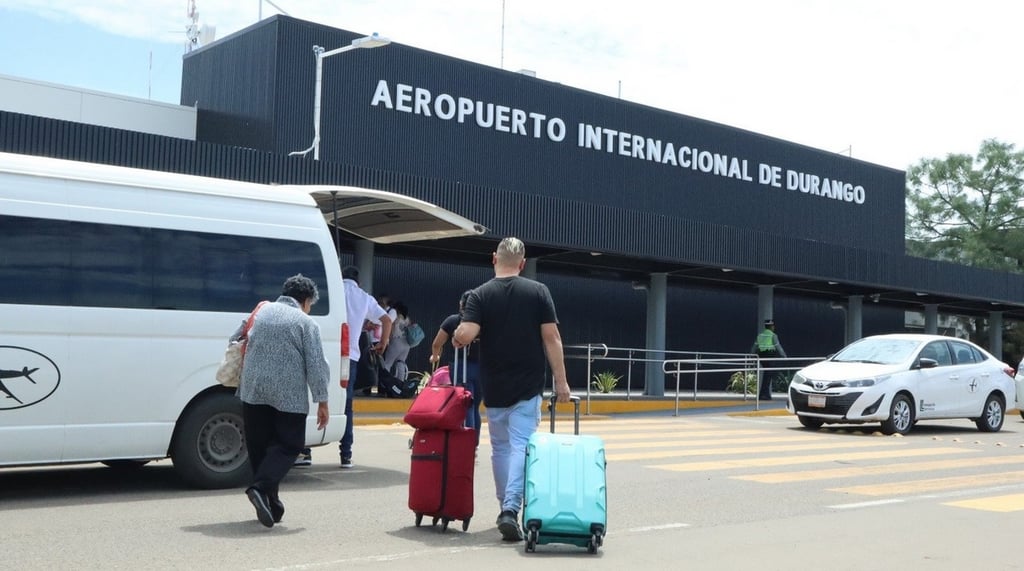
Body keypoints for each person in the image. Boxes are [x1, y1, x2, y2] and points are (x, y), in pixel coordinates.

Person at [453, 237, 571, 543]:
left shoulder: (480, 295)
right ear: (522, 263)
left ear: (494, 258)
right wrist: (561, 381)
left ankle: (505, 505)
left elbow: (466, 334)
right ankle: (510, 509)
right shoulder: (538, 291)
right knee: (521, 446)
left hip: (495, 386)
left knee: (501, 448)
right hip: (528, 384)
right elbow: (552, 338)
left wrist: (457, 335)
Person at [235, 274, 330, 528]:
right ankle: (259, 489)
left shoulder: (261, 311)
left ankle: (270, 501)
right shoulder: (305, 322)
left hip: (253, 389)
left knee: (261, 447)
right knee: (290, 443)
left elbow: (236, 337)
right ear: (306, 300)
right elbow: (316, 365)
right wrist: (322, 400)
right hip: (287, 395)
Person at [337, 265, 392, 468]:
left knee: (318, 396)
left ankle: (305, 452)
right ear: (358, 281)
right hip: (348, 357)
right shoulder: (364, 297)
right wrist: (382, 343)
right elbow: (387, 320)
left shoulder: (333, 289)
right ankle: (346, 454)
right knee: (347, 403)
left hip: (328, 353)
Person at [430, 290, 484, 443]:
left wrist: (435, 356)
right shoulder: (482, 323)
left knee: (466, 404)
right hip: (482, 368)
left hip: (461, 367)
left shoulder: (453, 321)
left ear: (461, 304)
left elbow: (437, 343)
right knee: (475, 405)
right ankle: (474, 441)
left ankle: (466, 440)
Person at [750, 318, 787, 400]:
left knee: (768, 374)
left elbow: (754, 346)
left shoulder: (760, 335)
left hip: (761, 356)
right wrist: (784, 356)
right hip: (770, 356)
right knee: (768, 374)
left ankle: (764, 394)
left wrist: (751, 355)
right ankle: (763, 395)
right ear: (772, 327)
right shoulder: (773, 336)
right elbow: (778, 347)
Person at [382, 300, 411, 382]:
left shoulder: (396, 317)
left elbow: (391, 329)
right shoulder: (407, 319)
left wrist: (387, 339)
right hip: (406, 343)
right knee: (401, 362)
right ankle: (400, 383)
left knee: (387, 363)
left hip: (396, 341)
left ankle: (385, 382)